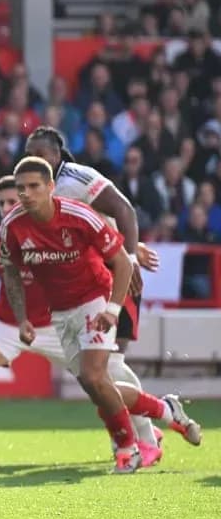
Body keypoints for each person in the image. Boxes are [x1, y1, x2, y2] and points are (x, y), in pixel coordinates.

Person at [0, 175, 159, 466]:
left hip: (58, 322)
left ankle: (155, 420)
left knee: (100, 382)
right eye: (3, 202)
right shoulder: (1, 238)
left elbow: (101, 240)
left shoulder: (60, 225)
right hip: (11, 322)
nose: (10, 206)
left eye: (14, 199)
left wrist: (133, 251)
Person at [0, 157, 201, 473]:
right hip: (61, 312)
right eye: (21, 188)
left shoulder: (79, 215)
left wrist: (112, 309)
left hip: (96, 298)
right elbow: (11, 271)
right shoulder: (13, 225)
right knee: (98, 386)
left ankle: (129, 449)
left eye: (34, 186)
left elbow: (121, 262)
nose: (26, 193)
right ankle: (165, 410)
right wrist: (22, 316)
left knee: (95, 376)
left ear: (51, 187)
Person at [24, 126, 162, 447]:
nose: (33, 160)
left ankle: (140, 436)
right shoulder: (38, 189)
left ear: (56, 156)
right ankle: (143, 432)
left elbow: (123, 209)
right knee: (101, 371)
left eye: (39, 155)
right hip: (86, 279)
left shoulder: (76, 179)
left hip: (115, 274)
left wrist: (130, 255)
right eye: (28, 155)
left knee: (109, 365)